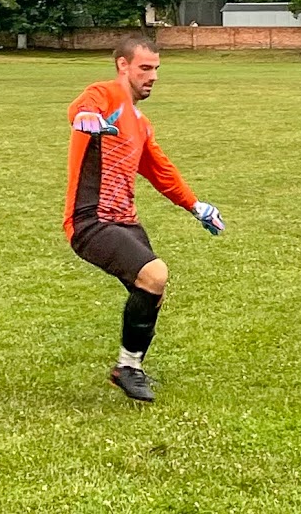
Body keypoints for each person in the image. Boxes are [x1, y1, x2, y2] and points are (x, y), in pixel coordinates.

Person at [64, 36, 225, 403]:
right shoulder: (107, 96)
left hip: (125, 220)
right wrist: (85, 117)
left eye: (156, 69)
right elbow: (84, 103)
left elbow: (160, 171)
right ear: (123, 65)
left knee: (153, 292)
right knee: (155, 274)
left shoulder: (141, 122)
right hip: (91, 219)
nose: (152, 76)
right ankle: (128, 368)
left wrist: (196, 205)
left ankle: (128, 367)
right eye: (144, 68)